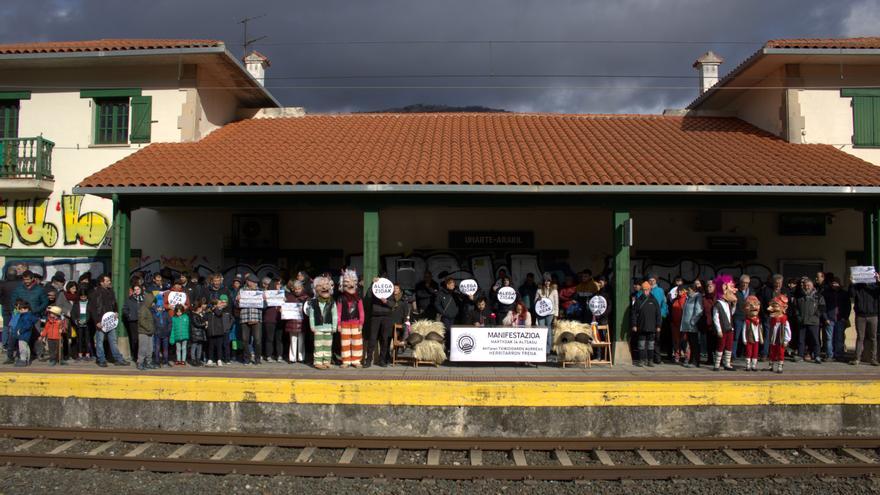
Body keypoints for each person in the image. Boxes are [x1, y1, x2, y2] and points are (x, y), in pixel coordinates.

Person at [88, 274, 128, 367]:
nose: (109, 282)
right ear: (102, 283)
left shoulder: (111, 292)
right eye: (107, 281)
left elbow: (115, 304)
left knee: (113, 340)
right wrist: (97, 321)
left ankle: (118, 359)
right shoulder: (95, 293)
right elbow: (92, 309)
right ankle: (101, 359)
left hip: (110, 320)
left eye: (109, 280)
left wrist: (116, 312)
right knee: (100, 341)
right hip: (100, 321)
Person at [850, 271, 879, 366]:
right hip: (860, 316)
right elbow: (851, 295)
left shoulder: (875, 288)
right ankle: (857, 358)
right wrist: (852, 283)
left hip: (873, 315)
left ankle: (873, 359)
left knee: (873, 338)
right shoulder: (858, 287)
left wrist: (879, 281)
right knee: (860, 337)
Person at [307, 276, 337, 369]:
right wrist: (312, 326)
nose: (324, 288)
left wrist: (334, 326)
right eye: (321, 286)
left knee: (328, 345)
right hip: (318, 328)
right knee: (318, 345)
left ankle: (327, 361)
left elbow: (335, 314)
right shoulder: (313, 302)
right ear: (316, 289)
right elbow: (311, 315)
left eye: (327, 285)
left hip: (329, 327)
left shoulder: (332, 302)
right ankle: (318, 361)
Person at [337, 270, 365, 368]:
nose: (351, 284)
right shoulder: (340, 298)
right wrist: (339, 324)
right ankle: (346, 361)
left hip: (356, 324)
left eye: (353, 281)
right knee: (345, 343)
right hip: (344, 324)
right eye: (347, 282)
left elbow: (361, 311)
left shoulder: (358, 298)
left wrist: (361, 322)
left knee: (357, 343)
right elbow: (338, 312)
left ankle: (356, 360)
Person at [794, 278, 825, 364]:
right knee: (801, 339)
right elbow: (795, 308)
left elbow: (822, 307)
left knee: (815, 340)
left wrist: (816, 315)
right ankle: (800, 356)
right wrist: (798, 316)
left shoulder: (818, 296)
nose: (807, 287)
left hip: (813, 321)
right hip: (802, 321)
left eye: (808, 285)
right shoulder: (799, 296)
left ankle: (817, 356)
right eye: (805, 285)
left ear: (812, 286)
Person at [631, 281, 661, 367]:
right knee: (641, 344)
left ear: (650, 289)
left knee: (651, 345)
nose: (645, 291)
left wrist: (658, 326)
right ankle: (641, 360)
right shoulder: (638, 300)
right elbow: (633, 314)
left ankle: (650, 361)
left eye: (647, 290)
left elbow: (658, 314)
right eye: (644, 290)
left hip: (652, 326)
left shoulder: (654, 300)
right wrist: (634, 325)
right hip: (641, 326)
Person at [236, 274, 264, 365]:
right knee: (244, 340)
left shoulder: (260, 291)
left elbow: (265, 306)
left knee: (258, 340)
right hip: (245, 317)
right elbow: (236, 305)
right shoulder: (242, 291)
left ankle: (257, 359)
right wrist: (237, 300)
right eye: (250, 281)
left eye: (254, 282)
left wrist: (265, 300)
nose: (252, 283)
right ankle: (247, 359)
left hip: (256, 318)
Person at [712, 275, 737, 371]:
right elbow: (716, 318)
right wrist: (718, 330)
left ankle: (727, 363)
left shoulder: (727, 303)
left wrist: (734, 305)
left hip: (729, 328)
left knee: (729, 346)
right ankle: (717, 364)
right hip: (722, 328)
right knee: (720, 346)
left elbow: (731, 314)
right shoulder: (717, 304)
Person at [823, 277, 851, 362]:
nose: (835, 285)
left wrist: (845, 318)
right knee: (829, 338)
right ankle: (829, 355)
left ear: (839, 284)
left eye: (836, 283)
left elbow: (848, 307)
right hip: (829, 319)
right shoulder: (826, 294)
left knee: (839, 338)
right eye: (833, 283)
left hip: (840, 319)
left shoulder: (844, 293)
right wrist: (825, 318)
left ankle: (839, 355)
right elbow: (822, 307)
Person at [283, 280, 310, 364]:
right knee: (293, 340)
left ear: (302, 288)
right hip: (292, 321)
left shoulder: (306, 297)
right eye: (295, 289)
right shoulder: (289, 297)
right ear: (293, 289)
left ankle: (301, 357)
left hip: (302, 322)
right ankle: (292, 358)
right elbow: (284, 308)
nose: (297, 290)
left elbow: (308, 310)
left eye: (299, 288)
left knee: (301, 341)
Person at [678, 284, 703, 368]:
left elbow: (698, 311)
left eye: (688, 289)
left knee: (695, 343)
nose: (687, 291)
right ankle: (691, 360)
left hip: (693, 326)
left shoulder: (697, 297)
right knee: (691, 344)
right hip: (688, 326)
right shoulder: (689, 298)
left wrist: (693, 322)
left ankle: (695, 361)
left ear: (693, 290)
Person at [767, 294, 792, 374]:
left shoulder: (784, 321)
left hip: (781, 340)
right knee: (772, 352)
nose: (772, 309)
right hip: (774, 339)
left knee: (781, 353)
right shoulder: (772, 320)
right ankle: (771, 365)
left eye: (776, 306)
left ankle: (780, 366)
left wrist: (786, 340)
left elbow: (788, 331)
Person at [206, 295, 233, 367]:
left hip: (219, 331)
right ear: (215, 304)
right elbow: (206, 317)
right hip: (211, 331)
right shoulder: (209, 310)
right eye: (219, 303)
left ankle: (219, 359)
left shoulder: (220, 310)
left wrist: (216, 308)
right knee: (211, 346)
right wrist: (211, 308)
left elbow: (218, 314)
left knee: (219, 346)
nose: (221, 304)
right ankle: (210, 359)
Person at [534, 273, 558, 355]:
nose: (547, 282)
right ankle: (541, 348)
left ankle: (548, 350)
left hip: (550, 313)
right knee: (541, 330)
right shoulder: (539, 290)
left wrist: (555, 316)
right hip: (540, 313)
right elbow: (535, 302)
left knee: (548, 330)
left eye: (548, 280)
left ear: (550, 281)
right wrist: (538, 299)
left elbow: (556, 303)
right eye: (545, 280)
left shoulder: (554, 291)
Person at [731, 274, 753, 360]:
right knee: (736, 336)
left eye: (747, 283)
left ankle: (744, 354)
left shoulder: (751, 292)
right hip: (738, 316)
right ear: (740, 283)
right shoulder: (735, 291)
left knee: (747, 336)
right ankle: (733, 354)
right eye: (743, 283)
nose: (745, 285)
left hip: (748, 317)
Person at [262, 278, 284, 363]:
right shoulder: (267, 293)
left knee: (279, 338)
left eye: (280, 284)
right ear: (273, 285)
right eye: (278, 284)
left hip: (279, 318)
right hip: (269, 318)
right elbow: (263, 307)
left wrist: (284, 301)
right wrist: (264, 300)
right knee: (269, 338)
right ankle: (268, 355)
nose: (279, 286)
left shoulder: (282, 293)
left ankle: (279, 355)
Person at [741, 295, 763, 372]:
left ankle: (754, 365)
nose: (754, 307)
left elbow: (759, 330)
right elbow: (744, 330)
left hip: (756, 339)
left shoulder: (758, 320)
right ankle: (748, 365)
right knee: (748, 352)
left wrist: (761, 338)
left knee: (755, 352)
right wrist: (744, 339)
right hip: (749, 339)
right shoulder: (746, 321)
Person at [123, 284, 145, 360]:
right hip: (133, 321)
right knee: (134, 338)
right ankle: (135, 355)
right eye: (135, 290)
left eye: (138, 289)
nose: (136, 291)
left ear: (141, 289)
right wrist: (129, 315)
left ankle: (143, 355)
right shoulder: (130, 299)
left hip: (143, 321)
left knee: (143, 338)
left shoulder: (144, 298)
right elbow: (125, 309)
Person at [135, 293, 157, 371]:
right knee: (142, 348)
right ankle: (140, 362)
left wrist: (151, 329)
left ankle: (148, 362)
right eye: (152, 302)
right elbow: (142, 321)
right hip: (143, 332)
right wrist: (149, 328)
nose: (153, 304)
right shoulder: (143, 309)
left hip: (149, 332)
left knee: (150, 348)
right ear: (148, 301)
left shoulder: (149, 309)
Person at [13, 301, 37, 367]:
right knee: (26, 346)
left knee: (22, 347)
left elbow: (27, 325)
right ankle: (27, 360)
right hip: (23, 335)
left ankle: (23, 360)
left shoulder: (27, 316)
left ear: (26, 309)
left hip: (23, 334)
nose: (19, 310)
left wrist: (20, 331)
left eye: (21, 309)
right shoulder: (25, 315)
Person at [151, 296, 171, 367]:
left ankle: (165, 361)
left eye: (161, 307)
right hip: (157, 333)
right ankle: (157, 361)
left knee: (165, 348)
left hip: (165, 334)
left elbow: (170, 323)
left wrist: (168, 331)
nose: (160, 308)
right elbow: (152, 324)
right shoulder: (154, 315)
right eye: (158, 307)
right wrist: (155, 331)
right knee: (157, 348)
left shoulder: (166, 314)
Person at [669, 288, 687, 363]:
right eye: (678, 291)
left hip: (684, 324)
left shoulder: (687, 299)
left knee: (685, 341)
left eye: (681, 291)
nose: (679, 292)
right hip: (675, 324)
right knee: (676, 341)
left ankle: (687, 357)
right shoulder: (674, 300)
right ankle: (677, 356)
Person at [189, 298, 208, 366]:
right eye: (200, 307)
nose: (201, 309)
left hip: (200, 334)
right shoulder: (194, 315)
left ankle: (198, 359)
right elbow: (196, 324)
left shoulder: (200, 315)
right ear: (197, 308)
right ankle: (193, 359)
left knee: (200, 346)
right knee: (194, 346)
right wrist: (204, 324)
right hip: (195, 334)